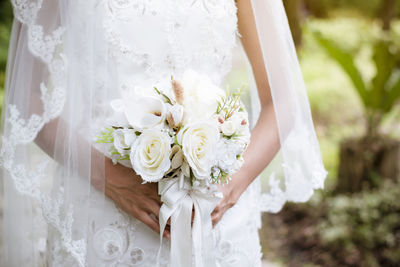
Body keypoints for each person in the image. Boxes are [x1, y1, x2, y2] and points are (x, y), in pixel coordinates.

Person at [0, 0, 327, 266]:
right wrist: (111, 180)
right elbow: (29, 103)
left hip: (216, 217)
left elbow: (282, 103)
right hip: (99, 212)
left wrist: (226, 191)